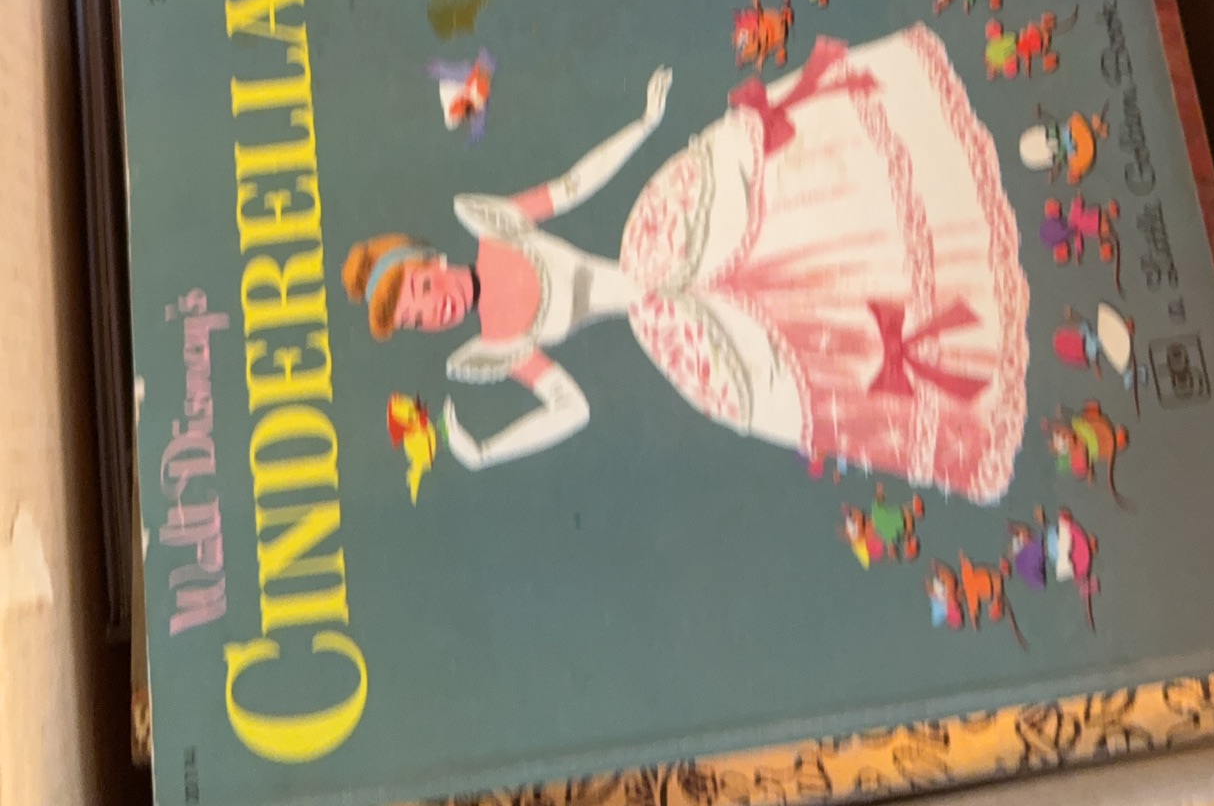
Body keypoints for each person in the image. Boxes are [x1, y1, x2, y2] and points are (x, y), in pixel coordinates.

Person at [343, 34, 1029, 505]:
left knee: (797, 222)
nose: (435, 308)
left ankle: (924, 226)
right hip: (674, 326)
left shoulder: (493, 229)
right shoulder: (498, 345)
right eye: (419, 319)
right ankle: (954, 324)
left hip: (664, 243)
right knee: (811, 332)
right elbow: (570, 408)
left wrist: (643, 125)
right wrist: (490, 450)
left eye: (422, 290)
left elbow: (575, 183)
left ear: (433, 261)